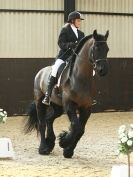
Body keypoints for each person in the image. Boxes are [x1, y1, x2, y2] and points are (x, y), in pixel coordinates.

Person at [42, 11, 85, 105]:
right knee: (55, 68)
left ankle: (87, 94)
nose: (79, 22)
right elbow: (60, 43)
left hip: (76, 57)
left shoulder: (81, 34)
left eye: (80, 21)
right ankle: (47, 95)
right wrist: (70, 45)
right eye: (78, 20)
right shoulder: (65, 30)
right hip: (64, 56)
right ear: (72, 21)